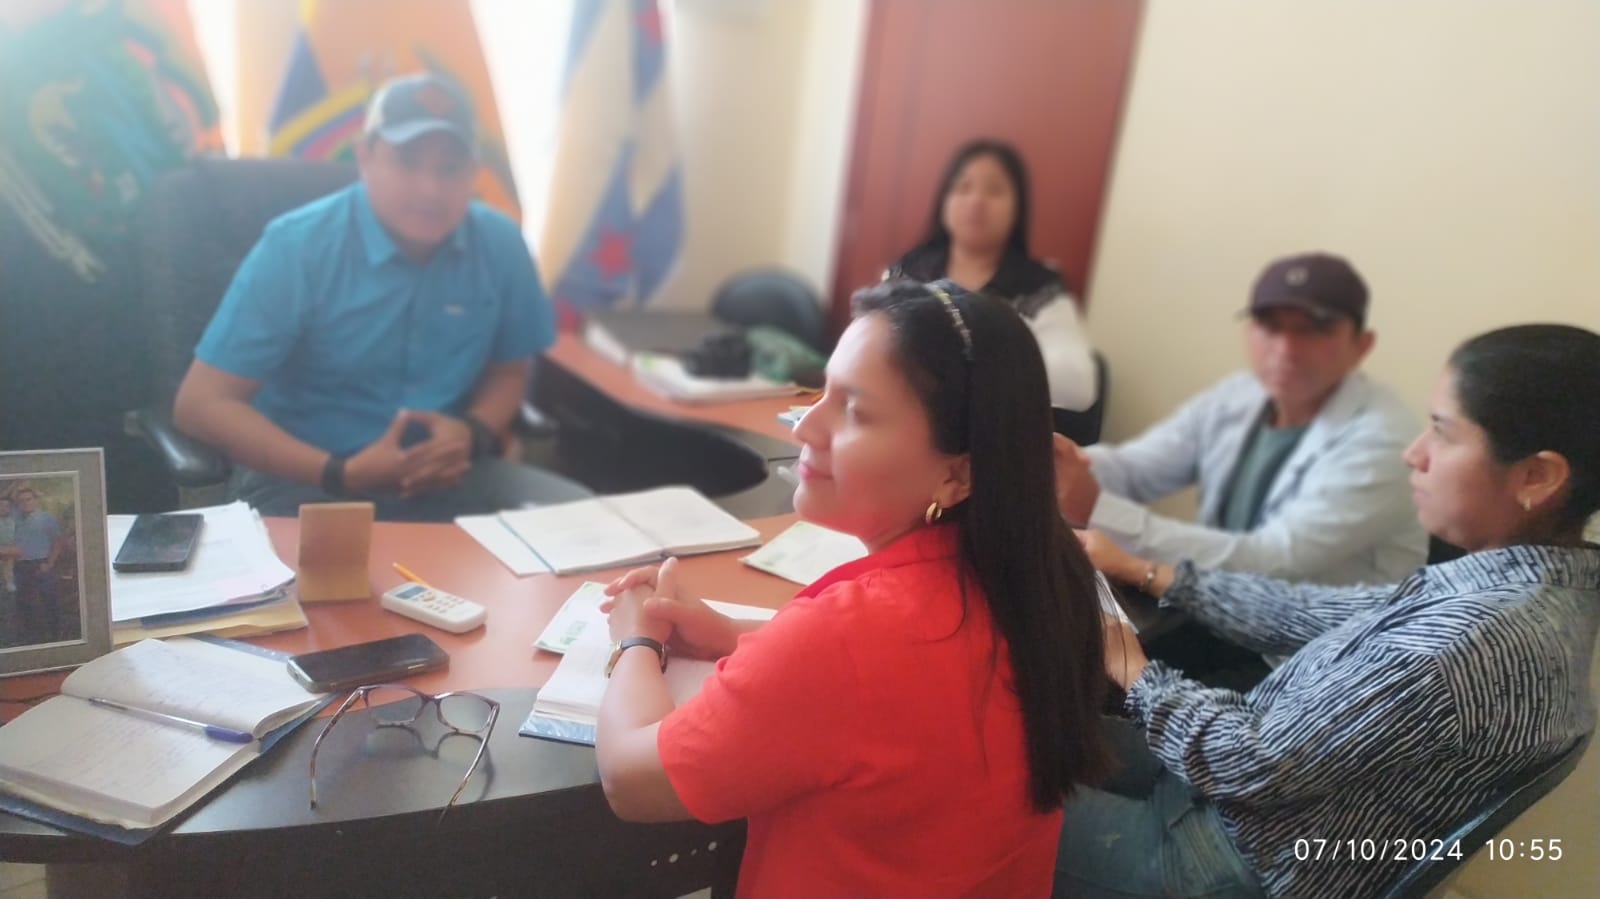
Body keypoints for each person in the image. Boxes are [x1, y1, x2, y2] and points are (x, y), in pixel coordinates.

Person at [594, 280, 1111, 897]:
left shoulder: (851, 636)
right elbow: (910, 681)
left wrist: (636, 640)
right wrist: (735, 635)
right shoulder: (1043, 582)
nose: (806, 426)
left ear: (957, 474)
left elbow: (630, 779)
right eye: (822, 393)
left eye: (856, 411)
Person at [1056, 324, 1600, 899]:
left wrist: (1131, 666)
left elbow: (1249, 764)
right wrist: (1147, 571)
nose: (1415, 453)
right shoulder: (1535, 587)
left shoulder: (1469, 641)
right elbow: (1316, 612)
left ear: (1538, 476)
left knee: (990, 786)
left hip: (1232, 851)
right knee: (1030, 734)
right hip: (1246, 796)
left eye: (1443, 433)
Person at [173, 72, 588, 522]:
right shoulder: (297, 247)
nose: (430, 189)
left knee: (590, 534)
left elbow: (509, 373)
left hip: (448, 476)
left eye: (450, 168)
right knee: (339, 570)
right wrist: (342, 472)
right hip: (307, 477)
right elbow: (202, 405)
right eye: (408, 162)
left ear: (474, 171)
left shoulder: (501, 243)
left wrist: (472, 432)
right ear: (365, 157)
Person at [1056, 251, 1426, 586]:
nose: (1285, 349)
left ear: (1362, 345)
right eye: (1270, 325)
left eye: (1315, 329)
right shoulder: (1240, 394)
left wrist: (1099, 509)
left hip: (1317, 637)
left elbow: (1272, 561)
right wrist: (1063, 463)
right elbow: (1137, 468)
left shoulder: (1384, 440)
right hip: (1216, 606)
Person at [886, 139, 1098, 412]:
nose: (976, 201)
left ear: (1017, 208)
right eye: (963, 187)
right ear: (944, 201)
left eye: (994, 190)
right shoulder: (908, 272)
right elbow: (868, 351)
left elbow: (1078, 386)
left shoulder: (1037, 289)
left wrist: (968, 361)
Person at [8, 487, 68, 644]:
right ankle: (30, 639)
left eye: (28, 499)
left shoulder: (46, 518)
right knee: (23, 602)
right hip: (21, 566)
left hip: (42, 564)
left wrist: (50, 563)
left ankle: (57, 635)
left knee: (49, 599)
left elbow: (57, 542)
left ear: (35, 500)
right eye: (21, 501)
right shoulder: (14, 519)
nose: (25, 503)